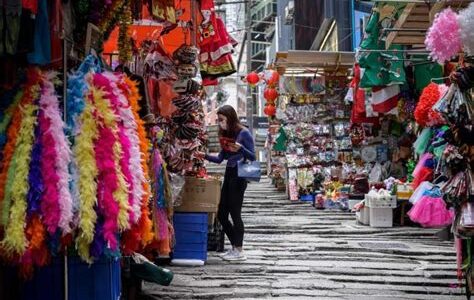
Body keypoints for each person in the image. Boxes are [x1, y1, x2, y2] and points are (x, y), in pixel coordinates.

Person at [204, 105, 256, 261]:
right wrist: (203, 155)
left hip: (239, 175)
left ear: (230, 118)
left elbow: (252, 157)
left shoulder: (244, 133)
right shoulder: (228, 135)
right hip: (229, 173)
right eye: (218, 120)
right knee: (221, 213)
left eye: (222, 120)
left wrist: (240, 149)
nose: (220, 123)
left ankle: (239, 250)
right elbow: (220, 158)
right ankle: (235, 246)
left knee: (235, 213)